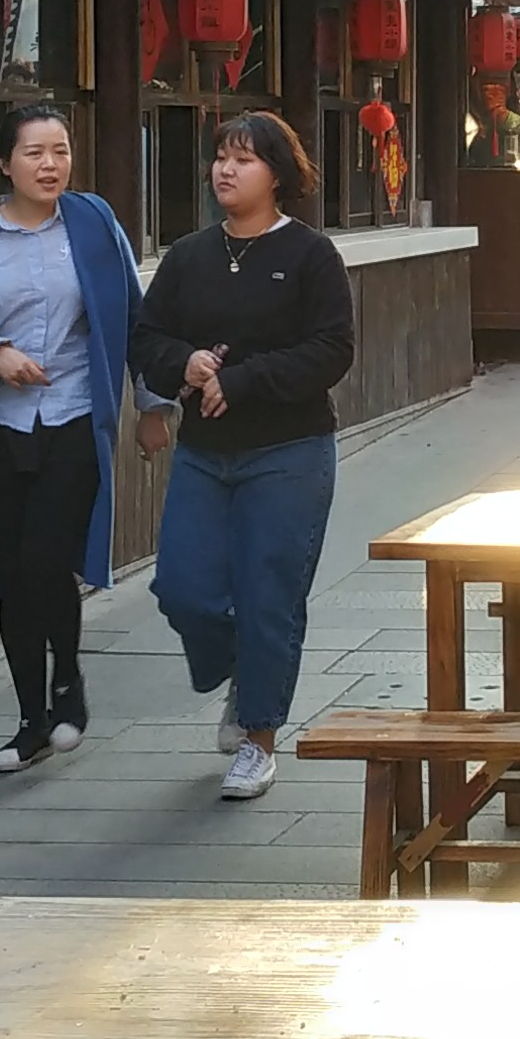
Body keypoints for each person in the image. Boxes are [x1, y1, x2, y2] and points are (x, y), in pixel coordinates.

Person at [135, 113, 357, 803]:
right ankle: (243, 665)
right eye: (221, 158)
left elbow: (332, 350)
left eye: (244, 160)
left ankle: (257, 738)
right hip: (205, 454)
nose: (226, 171)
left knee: (269, 596)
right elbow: (146, 336)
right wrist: (184, 363)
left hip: (290, 451)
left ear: (278, 174)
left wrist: (243, 380)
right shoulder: (189, 256)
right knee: (183, 588)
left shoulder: (311, 254)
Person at [0, 102, 141, 777]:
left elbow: (132, 311)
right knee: (14, 573)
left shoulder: (93, 223)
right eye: (35, 153)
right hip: (0, 429)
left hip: (74, 416)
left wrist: (155, 403)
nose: (50, 165)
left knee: (45, 559)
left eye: (60, 151)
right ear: (4, 163)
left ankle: (67, 679)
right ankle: (30, 721)